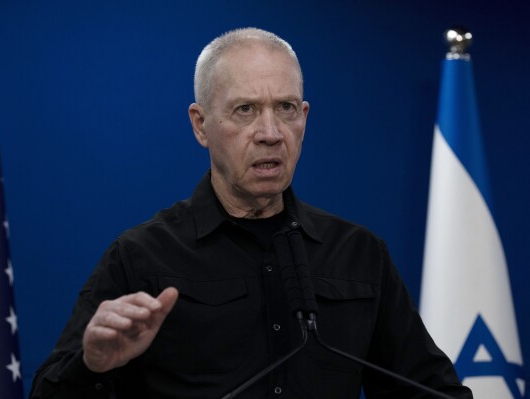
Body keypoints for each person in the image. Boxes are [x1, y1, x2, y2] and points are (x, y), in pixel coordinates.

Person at [30, 28, 472, 398]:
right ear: (200, 125)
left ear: (304, 117)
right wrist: (92, 366)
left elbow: (433, 390)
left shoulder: (358, 254)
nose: (270, 133)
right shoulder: (141, 257)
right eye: (245, 110)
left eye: (285, 109)